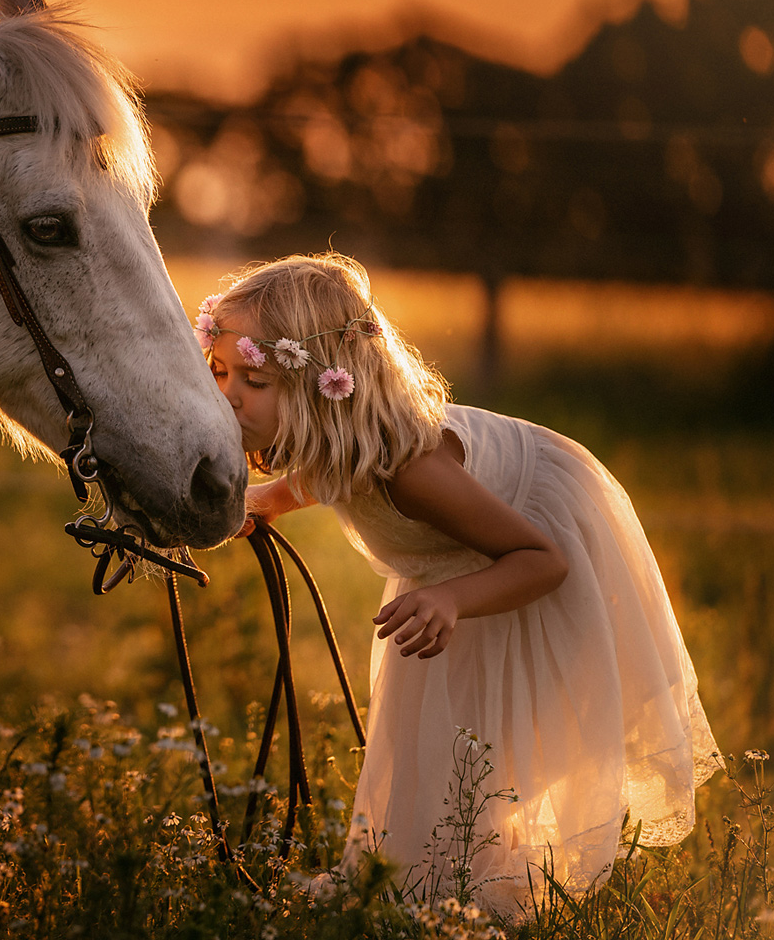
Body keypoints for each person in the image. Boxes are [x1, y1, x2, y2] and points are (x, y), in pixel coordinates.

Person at [197, 252, 719, 917]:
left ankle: (482, 898)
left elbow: (542, 560)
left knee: (487, 743)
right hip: (460, 566)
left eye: (254, 379)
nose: (229, 395)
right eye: (220, 372)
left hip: (525, 554)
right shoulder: (344, 438)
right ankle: (412, 886)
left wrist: (449, 599)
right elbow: (333, 467)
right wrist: (269, 499)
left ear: (326, 384)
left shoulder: (414, 472)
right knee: (429, 736)